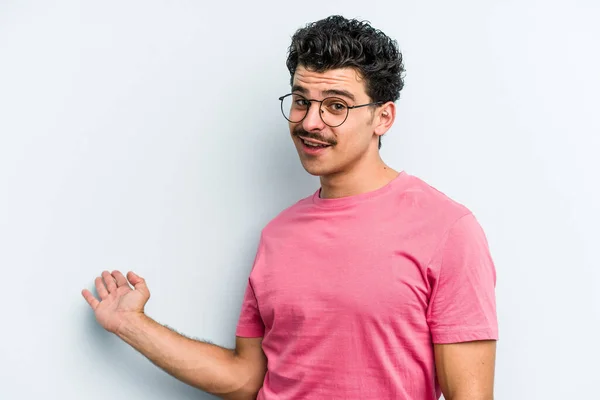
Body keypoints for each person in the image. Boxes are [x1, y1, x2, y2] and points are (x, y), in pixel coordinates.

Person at [82, 15, 498, 400]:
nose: (310, 121)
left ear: (383, 117)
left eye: (336, 105)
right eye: (301, 100)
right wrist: (129, 323)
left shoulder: (446, 230)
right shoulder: (278, 234)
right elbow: (246, 377)